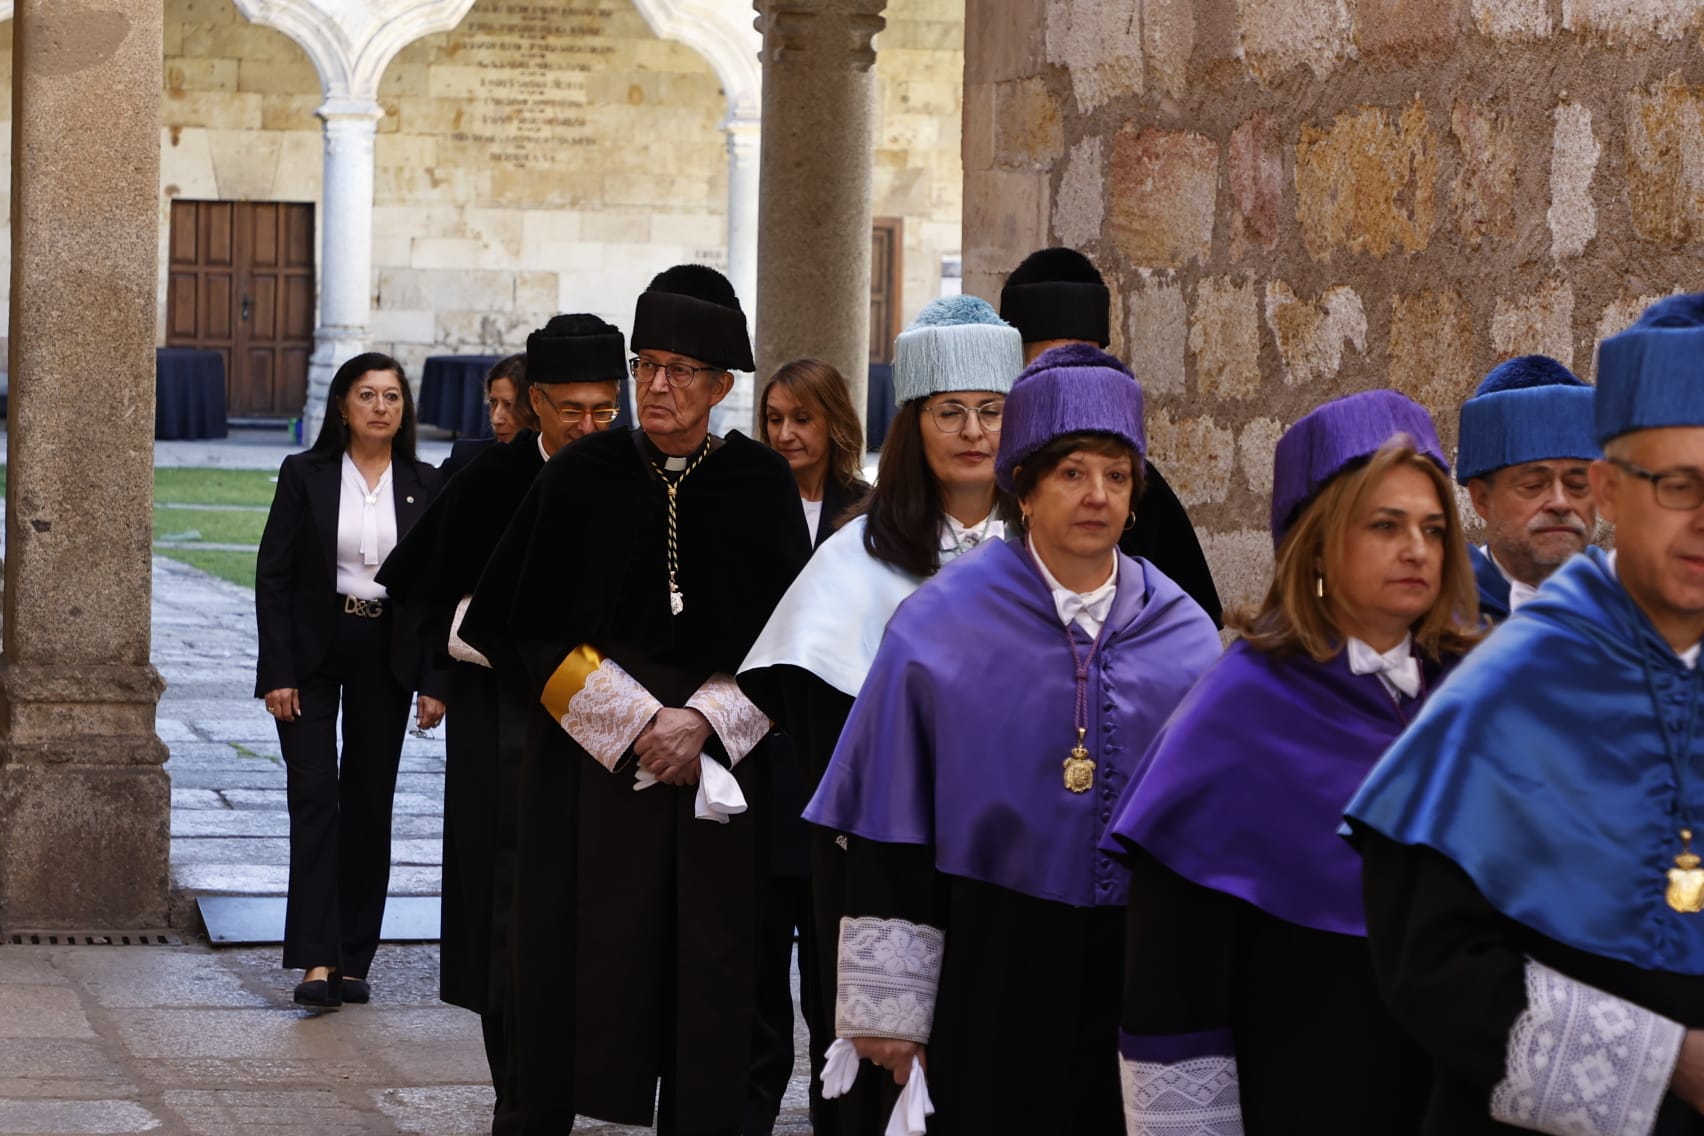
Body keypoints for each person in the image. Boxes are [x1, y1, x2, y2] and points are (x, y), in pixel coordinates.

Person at [803, 343, 1222, 1134]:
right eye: (1071, 473)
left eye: (1116, 475)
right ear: (1023, 488)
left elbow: (1211, 837)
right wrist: (892, 1010)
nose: (1097, 495)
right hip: (989, 959)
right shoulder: (937, 627)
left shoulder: (1186, 634)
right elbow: (889, 826)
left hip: (1137, 965)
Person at [459, 265, 811, 1135]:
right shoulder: (578, 476)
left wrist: (701, 722)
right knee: (576, 960)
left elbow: (795, 646)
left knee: (713, 968)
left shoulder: (762, 485)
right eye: (645, 364)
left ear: (723, 386)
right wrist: (636, 722)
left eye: (680, 371)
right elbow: (516, 627)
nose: (655, 386)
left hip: (715, 776)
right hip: (589, 775)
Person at [1346, 295, 1704, 1134]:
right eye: (1678, 484)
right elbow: (1427, 964)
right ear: (1613, 491)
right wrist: (1665, 1063)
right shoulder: (1509, 684)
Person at [1104, 389, 1480, 1133]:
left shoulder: (1477, 698)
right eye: (1386, 525)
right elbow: (1174, 981)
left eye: (1435, 530)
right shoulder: (1236, 712)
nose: (1417, 550)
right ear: (1316, 539)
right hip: (1305, 1094)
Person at [739, 294, 1022, 1135]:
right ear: (915, 425)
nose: (973, 431)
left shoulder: (1050, 554)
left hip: (1012, 856)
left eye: (993, 411)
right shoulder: (856, 557)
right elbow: (815, 718)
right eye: (950, 411)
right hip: (886, 857)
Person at [373, 315, 625, 1120]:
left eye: (604, 411)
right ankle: (516, 1096)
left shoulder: (639, 478)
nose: (589, 427)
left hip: (611, 735)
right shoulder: (487, 478)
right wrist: (531, 652)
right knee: (506, 918)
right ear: (535, 405)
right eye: (572, 411)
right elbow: (432, 605)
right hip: (505, 727)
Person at [254, 352, 447, 1008]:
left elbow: (434, 593)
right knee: (315, 799)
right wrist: (275, 670)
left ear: (404, 410)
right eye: (367, 395)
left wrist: (434, 680)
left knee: (369, 804)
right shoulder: (303, 474)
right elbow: (273, 575)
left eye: (392, 396)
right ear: (342, 406)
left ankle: (352, 957)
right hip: (312, 651)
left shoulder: (425, 482)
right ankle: (314, 961)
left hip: (385, 652)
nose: (380, 407)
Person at [747, 357, 871, 1136]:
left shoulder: (872, 514)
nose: (787, 434)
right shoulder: (747, 506)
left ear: (834, 424)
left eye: (802, 419)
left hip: (836, 766)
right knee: (758, 972)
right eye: (775, 419)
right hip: (758, 763)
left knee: (833, 977)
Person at [1000, 246, 1223, 626]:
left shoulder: (1143, 488)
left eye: (1085, 361)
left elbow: (1186, 629)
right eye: (1050, 365)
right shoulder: (980, 467)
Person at [1456, 354, 1599, 622]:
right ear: (1482, 499)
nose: (1560, 502)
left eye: (1578, 485)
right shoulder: (1436, 623)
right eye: (1534, 485)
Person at [439, 353, 538, 477]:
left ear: (536, 404)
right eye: (493, 403)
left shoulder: (556, 467)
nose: (496, 418)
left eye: (508, 405)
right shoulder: (468, 458)